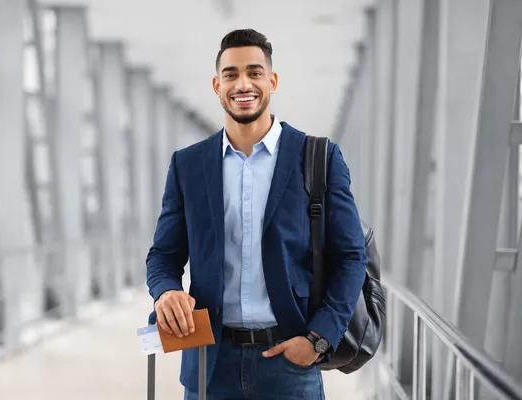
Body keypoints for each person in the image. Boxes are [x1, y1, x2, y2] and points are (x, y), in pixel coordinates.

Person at [146, 28, 368, 400]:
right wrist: (165, 291)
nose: (242, 84)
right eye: (231, 74)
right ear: (217, 85)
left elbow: (350, 256)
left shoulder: (319, 158)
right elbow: (164, 254)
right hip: (210, 362)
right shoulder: (188, 165)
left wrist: (318, 340)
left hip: (290, 363)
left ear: (273, 81)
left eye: (254, 72)